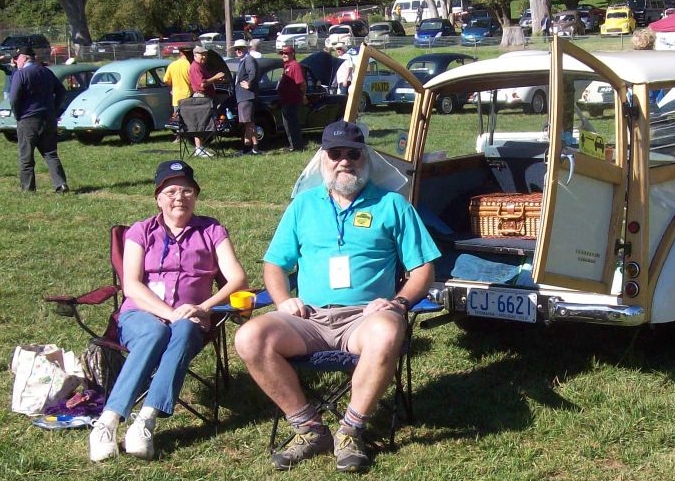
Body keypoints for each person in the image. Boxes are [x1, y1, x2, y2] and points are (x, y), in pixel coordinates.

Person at [234, 120, 441, 473]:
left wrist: (399, 302)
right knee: (249, 337)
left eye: (353, 154)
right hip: (308, 318)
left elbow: (423, 269)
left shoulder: (392, 205)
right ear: (322, 159)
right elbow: (274, 266)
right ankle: (309, 427)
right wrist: (284, 300)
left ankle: (350, 429)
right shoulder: (303, 205)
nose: (344, 161)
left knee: (388, 331)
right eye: (335, 153)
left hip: (365, 317)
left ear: (365, 158)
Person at [88, 160, 248, 462]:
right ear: (158, 197)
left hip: (191, 317)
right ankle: (107, 422)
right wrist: (169, 312)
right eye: (171, 191)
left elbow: (238, 279)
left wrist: (204, 307)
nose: (179, 198)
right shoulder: (140, 231)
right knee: (155, 331)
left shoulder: (211, 230)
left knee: (185, 328)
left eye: (187, 191)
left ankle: (144, 421)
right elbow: (132, 286)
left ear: (196, 196)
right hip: (141, 315)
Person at [8, 47, 68, 193]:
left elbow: (14, 98)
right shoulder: (46, 72)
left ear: (24, 58)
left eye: (17, 59)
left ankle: (28, 189)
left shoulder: (21, 74)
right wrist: (53, 109)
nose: (16, 62)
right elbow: (61, 91)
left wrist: (18, 114)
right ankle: (61, 184)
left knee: (26, 156)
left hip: (28, 119)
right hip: (48, 118)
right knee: (50, 153)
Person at [188, 46, 225, 157]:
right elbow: (202, 84)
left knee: (204, 123)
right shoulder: (195, 67)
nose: (204, 57)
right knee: (201, 123)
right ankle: (199, 148)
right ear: (195, 55)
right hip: (201, 97)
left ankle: (200, 147)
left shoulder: (201, 67)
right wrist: (215, 77)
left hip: (206, 97)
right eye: (201, 54)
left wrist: (217, 79)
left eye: (205, 54)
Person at [231, 39, 261, 155]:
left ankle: (249, 148)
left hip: (246, 96)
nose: (238, 51)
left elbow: (252, 72)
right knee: (248, 123)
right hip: (243, 96)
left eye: (240, 48)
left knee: (248, 123)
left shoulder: (248, 59)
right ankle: (252, 148)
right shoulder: (243, 60)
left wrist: (249, 83)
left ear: (246, 49)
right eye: (236, 49)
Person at [277, 45, 307, 152]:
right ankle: (292, 145)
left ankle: (297, 146)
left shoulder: (295, 65)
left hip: (293, 99)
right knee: (287, 123)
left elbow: (301, 83)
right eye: (282, 53)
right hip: (286, 99)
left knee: (292, 123)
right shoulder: (286, 66)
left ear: (292, 54)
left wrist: (303, 95)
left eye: (286, 53)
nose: (284, 55)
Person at [163, 47, 193, 144]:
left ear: (180, 54)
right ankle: (190, 136)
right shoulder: (190, 65)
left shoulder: (172, 65)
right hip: (188, 95)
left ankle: (179, 137)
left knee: (177, 118)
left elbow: (166, 80)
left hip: (176, 96)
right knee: (189, 117)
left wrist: (172, 87)